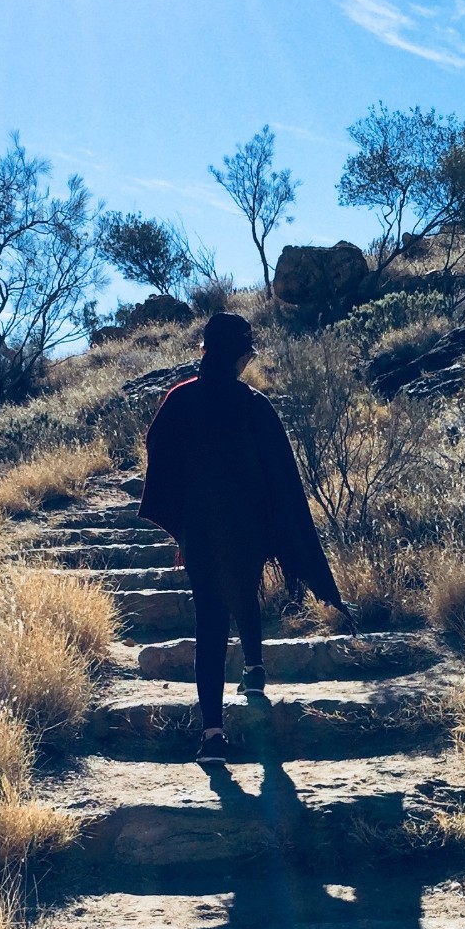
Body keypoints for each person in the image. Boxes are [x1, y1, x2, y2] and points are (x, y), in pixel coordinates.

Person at [139, 311, 346, 765]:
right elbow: (282, 477)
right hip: (246, 532)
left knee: (209, 619)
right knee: (244, 595)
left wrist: (183, 518)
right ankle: (254, 671)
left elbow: (159, 457)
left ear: (205, 350)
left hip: (199, 531)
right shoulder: (255, 406)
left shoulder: (178, 400)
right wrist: (278, 528)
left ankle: (212, 737)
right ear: (242, 356)